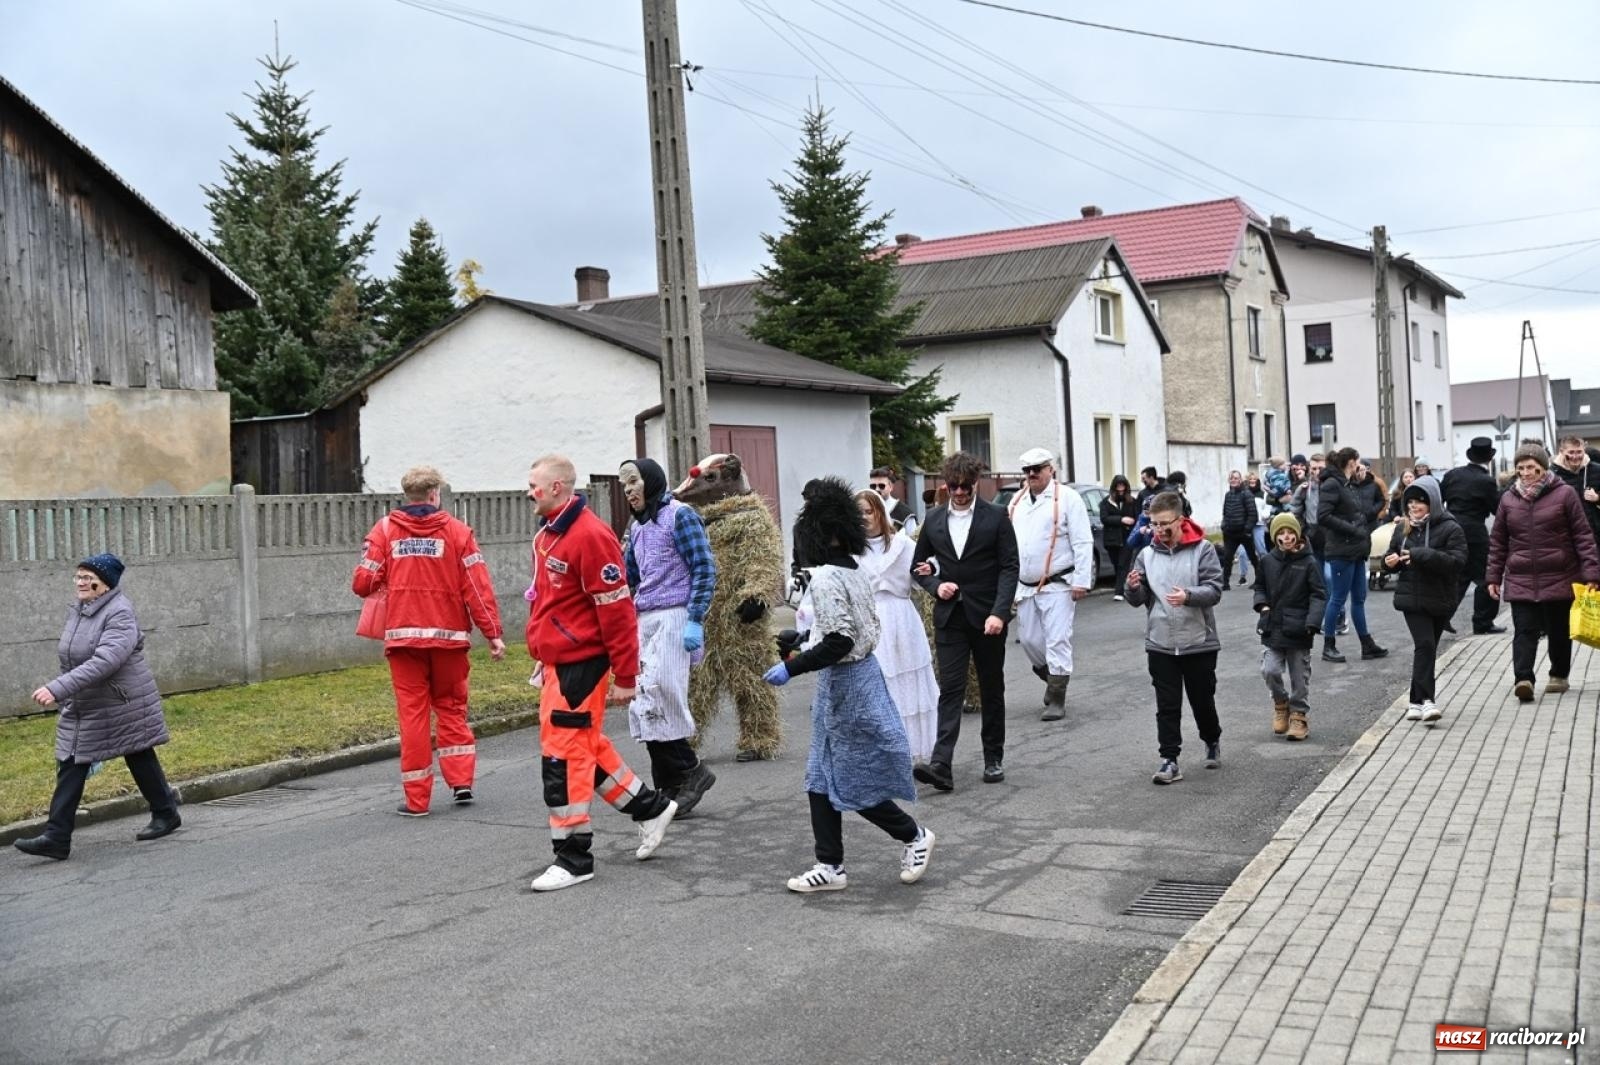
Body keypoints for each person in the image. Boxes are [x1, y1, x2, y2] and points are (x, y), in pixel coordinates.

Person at [766, 477, 934, 893]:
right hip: (850, 679)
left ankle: (914, 835)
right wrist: (805, 639)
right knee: (819, 777)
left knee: (852, 778)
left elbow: (841, 640)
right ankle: (830, 865)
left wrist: (793, 667)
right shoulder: (853, 568)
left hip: (850, 683)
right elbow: (847, 627)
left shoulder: (826, 577)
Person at [524, 454, 678, 892]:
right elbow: (552, 603)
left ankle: (574, 858)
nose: (529, 492)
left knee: (564, 759)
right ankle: (649, 808)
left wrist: (626, 676)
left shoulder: (589, 536)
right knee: (582, 747)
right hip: (561, 663)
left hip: (582, 664)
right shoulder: (549, 534)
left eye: (534, 485)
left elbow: (617, 613)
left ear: (557, 487)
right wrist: (544, 653)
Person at [352, 465, 505, 816]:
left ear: (407, 495)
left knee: (413, 716)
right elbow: (477, 588)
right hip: (450, 639)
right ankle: (461, 781)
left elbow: (362, 583)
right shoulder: (458, 533)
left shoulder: (384, 531)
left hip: (404, 640)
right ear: (435, 494)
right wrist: (493, 634)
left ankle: (417, 800)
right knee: (451, 707)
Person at [13, 555, 182, 861]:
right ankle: (58, 837)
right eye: (77, 576)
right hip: (88, 701)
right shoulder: (82, 610)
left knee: (136, 752)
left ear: (105, 584)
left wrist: (57, 688)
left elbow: (104, 662)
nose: (80, 582)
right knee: (76, 759)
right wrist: (68, 693)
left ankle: (164, 813)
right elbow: (71, 656)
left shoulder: (120, 612)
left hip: (122, 701)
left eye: (87, 578)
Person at [909, 451, 1020, 790]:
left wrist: (999, 612)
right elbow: (918, 567)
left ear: (975, 484)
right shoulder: (933, 519)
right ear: (946, 485)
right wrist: (935, 585)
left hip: (988, 617)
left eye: (965, 486)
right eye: (953, 486)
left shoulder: (996, 516)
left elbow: (1009, 567)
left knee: (991, 688)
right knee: (950, 689)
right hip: (951, 617)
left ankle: (993, 757)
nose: (959, 492)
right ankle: (941, 764)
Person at [619, 457, 719, 815]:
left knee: (661, 694)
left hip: (676, 616)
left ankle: (692, 772)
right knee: (644, 702)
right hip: (645, 619)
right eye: (624, 485)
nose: (629, 490)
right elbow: (630, 577)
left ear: (651, 480)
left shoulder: (681, 516)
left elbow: (704, 567)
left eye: (634, 481)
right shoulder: (638, 527)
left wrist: (695, 618)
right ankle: (668, 784)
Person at [675, 453, 786, 762]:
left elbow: (762, 558)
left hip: (739, 617)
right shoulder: (697, 522)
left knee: (750, 680)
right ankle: (684, 741)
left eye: (709, 479)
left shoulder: (752, 518)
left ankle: (759, 737)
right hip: (704, 615)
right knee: (698, 682)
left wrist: (756, 594)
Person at [1486, 441, 1600, 703]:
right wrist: (1493, 576)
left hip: (1560, 574)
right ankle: (1523, 679)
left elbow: (1583, 536)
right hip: (1521, 576)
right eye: (1521, 468)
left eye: (1531, 468)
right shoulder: (1508, 499)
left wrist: (1592, 574)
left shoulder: (1565, 494)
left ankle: (1559, 674)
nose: (1526, 473)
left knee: (1558, 630)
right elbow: (1498, 541)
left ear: (1543, 468)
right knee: (1524, 630)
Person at [1125, 492, 1223, 784]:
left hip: (1198, 641)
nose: (1159, 530)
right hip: (1161, 641)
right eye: (1154, 524)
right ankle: (1169, 760)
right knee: (1167, 705)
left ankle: (1211, 738)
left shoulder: (1203, 549)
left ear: (1181, 520)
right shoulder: (1146, 555)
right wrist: (1133, 587)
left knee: (1202, 700)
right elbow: (1138, 599)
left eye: (1165, 523)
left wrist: (1188, 596)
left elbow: (1214, 589)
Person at [1007, 447, 1094, 722]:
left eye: (1038, 469)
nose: (1032, 474)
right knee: (1029, 640)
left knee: (1057, 638)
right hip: (1025, 585)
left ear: (1050, 470)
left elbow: (1083, 541)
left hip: (1059, 583)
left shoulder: (1068, 498)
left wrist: (1081, 581)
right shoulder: (1017, 501)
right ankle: (1052, 678)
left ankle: (1057, 697)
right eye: (1028, 470)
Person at [854, 489, 938, 762]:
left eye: (869, 511)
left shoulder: (904, 545)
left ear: (880, 513)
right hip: (868, 620)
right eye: (858, 513)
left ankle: (912, 749)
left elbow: (923, 576)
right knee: (877, 683)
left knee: (907, 683)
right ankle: (881, 754)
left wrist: (933, 570)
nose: (864, 517)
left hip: (901, 619)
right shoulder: (851, 551)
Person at [1382, 475, 1467, 725]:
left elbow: (1457, 562)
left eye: (1419, 501)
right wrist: (1389, 563)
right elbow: (1392, 556)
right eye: (1410, 502)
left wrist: (1420, 555)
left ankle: (1415, 702)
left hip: (1440, 598)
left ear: (1433, 502)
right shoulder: (1403, 527)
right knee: (1425, 645)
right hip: (1412, 598)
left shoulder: (1451, 527)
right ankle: (1428, 701)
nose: (1414, 506)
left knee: (1427, 651)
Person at [1252, 514, 1326, 742]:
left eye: (1290, 532)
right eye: (1281, 533)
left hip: (1300, 628)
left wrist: (1313, 621)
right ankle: (1281, 703)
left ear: (1298, 534)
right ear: (1275, 537)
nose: (1286, 537)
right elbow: (1259, 587)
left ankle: (1298, 715)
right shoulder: (1267, 561)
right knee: (1270, 669)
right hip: (1273, 626)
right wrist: (1262, 605)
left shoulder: (1309, 562)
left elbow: (1318, 594)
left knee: (1299, 676)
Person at [1316, 447, 1388, 664]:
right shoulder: (1332, 484)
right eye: (1358, 461)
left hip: (1356, 549)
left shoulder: (1349, 483)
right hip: (1341, 550)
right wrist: (1351, 529)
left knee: (1359, 598)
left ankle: (1367, 644)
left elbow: (1360, 509)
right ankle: (1329, 646)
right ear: (1351, 462)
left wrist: (1358, 530)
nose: (1360, 465)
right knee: (1338, 598)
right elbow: (1323, 516)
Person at [1439, 438, 1505, 635]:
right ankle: (1483, 622)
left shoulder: (1452, 475)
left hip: (1451, 528)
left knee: (1460, 575)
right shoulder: (1486, 481)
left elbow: (1440, 499)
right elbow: (1496, 509)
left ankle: (1443, 616)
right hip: (1475, 531)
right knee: (1486, 577)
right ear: (1489, 458)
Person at [1552, 435, 1600, 547]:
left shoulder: (1596, 470)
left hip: (1595, 533)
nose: (1575, 456)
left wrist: (1598, 498)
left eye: (1579, 452)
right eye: (1571, 452)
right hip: (1566, 535)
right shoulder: (1552, 474)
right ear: (1561, 451)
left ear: (1584, 450)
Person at [1100, 475, 1140, 601]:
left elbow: (1137, 518)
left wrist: (1134, 525)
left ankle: (1119, 592)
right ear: (1114, 487)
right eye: (1118, 486)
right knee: (1116, 564)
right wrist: (1121, 519)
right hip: (1112, 539)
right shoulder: (1106, 502)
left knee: (1123, 564)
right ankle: (1123, 585)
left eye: (1123, 486)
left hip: (1127, 538)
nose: (1121, 489)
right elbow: (1104, 518)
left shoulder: (1132, 501)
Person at [1219, 470, 1260, 590]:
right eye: (1231, 478)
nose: (1233, 480)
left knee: (1252, 557)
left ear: (1240, 480)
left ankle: (1260, 581)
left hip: (1244, 532)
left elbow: (1253, 514)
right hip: (1230, 533)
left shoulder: (1247, 494)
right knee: (1227, 557)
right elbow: (1225, 512)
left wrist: (1247, 529)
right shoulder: (1228, 495)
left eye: (1236, 478)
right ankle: (1225, 583)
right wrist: (1224, 525)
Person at [869, 466, 919, 537]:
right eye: (873, 486)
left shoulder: (905, 514)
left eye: (881, 486)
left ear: (891, 487)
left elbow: (913, 540)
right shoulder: (865, 510)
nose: (877, 489)